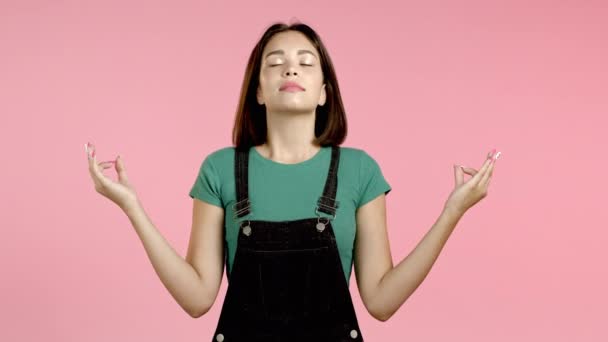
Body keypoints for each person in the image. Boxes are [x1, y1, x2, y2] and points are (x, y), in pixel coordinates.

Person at [85, 21, 500, 342]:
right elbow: (197, 299)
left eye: (306, 62)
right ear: (259, 90)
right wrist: (131, 207)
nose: (290, 68)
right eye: (275, 62)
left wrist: (453, 211)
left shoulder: (360, 170)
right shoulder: (220, 169)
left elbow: (382, 301)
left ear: (324, 92)